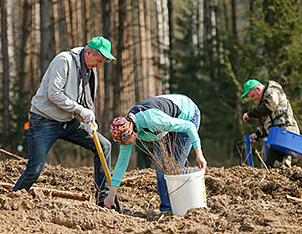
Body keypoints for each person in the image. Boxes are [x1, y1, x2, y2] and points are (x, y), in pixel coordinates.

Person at [12, 37, 121, 210]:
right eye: (98, 60)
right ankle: (12, 200)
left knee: (104, 146)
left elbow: (85, 100)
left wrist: (89, 119)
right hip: (44, 120)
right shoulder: (64, 61)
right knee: (34, 169)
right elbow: (54, 94)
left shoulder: (89, 71)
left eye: (102, 62)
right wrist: (80, 111)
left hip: (67, 122)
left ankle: (103, 199)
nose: (99, 65)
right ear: (89, 52)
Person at [103, 94, 207, 213]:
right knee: (161, 167)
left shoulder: (152, 120)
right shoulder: (125, 130)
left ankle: (183, 209)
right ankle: (167, 210)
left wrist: (199, 153)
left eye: (127, 141)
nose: (126, 144)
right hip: (162, 128)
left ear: (132, 131)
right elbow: (121, 164)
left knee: (175, 167)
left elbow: (189, 127)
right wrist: (111, 196)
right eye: (123, 142)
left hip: (187, 115)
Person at [241, 79, 300, 168]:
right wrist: (258, 134)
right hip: (280, 136)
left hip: (285, 134)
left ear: (258, 88)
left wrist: (250, 114)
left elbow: (269, 107)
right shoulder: (266, 101)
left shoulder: (272, 91)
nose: (254, 99)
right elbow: (271, 123)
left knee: (272, 166)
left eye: (253, 95)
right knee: (281, 166)